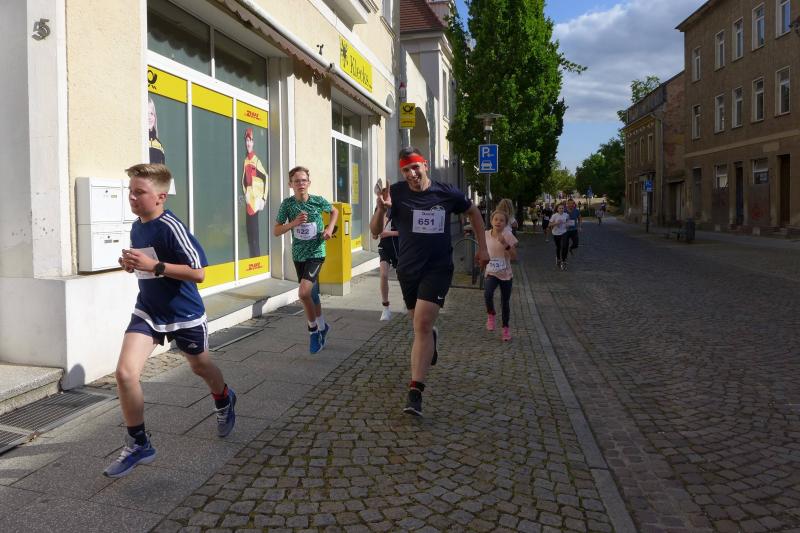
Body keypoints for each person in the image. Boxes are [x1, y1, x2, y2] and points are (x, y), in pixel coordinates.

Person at [104, 163, 236, 478]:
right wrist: (133, 265)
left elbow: (199, 273)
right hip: (149, 310)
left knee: (200, 366)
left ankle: (223, 398)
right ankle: (138, 443)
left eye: (139, 192)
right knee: (125, 373)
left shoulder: (171, 227)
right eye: (130, 191)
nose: (132, 197)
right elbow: (148, 267)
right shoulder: (137, 226)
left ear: (161, 197)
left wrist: (155, 266)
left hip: (184, 314)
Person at [369, 147, 489, 417]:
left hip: (437, 268)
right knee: (420, 326)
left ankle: (415, 392)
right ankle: (431, 337)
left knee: (421, 324)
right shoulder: (395, 193)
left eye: (415, 167)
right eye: (406, 170)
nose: (411, 174)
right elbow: (375, 231)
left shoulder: (446, 193)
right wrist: (381, 209)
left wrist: (483, 248)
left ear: (425, 165)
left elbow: (474, 212)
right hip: (408, 270)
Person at [274, 166, 338, 354]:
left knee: (303, 293)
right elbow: (276, 230)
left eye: (303, 180)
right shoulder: (287, 205)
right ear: (290, 184)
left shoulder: (318, 201)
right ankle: (323, 327)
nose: (300, 184)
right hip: (298, 254)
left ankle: (313, 331)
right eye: (296, 181)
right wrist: (293, 223)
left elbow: (334, 211)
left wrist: (329, 229)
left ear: (308, 183)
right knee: (312, 295)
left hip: (316, 253)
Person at [484, 210, 518, 342]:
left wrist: (505, 244)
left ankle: (505, 329)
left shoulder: (508, 235)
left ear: (505, 223)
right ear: (491, 221)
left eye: (502, 220)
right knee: (488, 293)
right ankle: (491, 314)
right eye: (496, 219)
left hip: (506, 273)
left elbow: (514, 257)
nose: (498, 222)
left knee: (505, 302)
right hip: (491, 272)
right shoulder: (486, 234)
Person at [241, 127, 267, 257]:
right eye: (246, 140)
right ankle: (252, 258)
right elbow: (243, 180)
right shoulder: (246, 160)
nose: (248, 143)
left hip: (255, 201)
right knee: (249, 232)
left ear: (253, 142)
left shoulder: (256, 161)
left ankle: (256, 258)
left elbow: (265, 177)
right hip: (248, 201)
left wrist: (263, 198)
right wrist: (245, 192)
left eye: (250, 140)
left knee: (254, 233)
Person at [376, 210, 399, 321]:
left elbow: (408, 232)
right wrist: (376, 232)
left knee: (404, 278)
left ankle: (412, 304)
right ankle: (385, 308)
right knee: (383, 275)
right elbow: (376, 233)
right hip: (385, 248)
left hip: (400, 248)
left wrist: (388, 233)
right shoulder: (381, 209)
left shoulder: (403, 206)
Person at [550, 203, 569, 270]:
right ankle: (558, 258)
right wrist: (556, 223)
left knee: (564, 246)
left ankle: (563, 261)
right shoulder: (554, 216)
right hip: (556, 233)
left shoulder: (566, 215)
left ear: (564, 209)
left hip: (564, 232)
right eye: (560, 208)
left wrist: (567, 225)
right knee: (558, 247)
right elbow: (549, 224)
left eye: (562, 208)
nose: (561, 209)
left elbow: (568, 222)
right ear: (557, 209)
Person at [147, 98, 165, 165]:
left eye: (151, 113)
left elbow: (162, 169)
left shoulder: (159, 145)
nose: (149, 117)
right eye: (146, 114)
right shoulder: (139, 141)